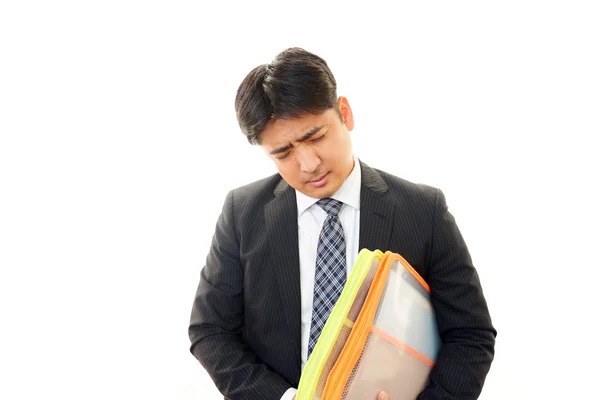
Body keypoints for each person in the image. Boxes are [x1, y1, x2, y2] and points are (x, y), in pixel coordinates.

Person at [188, 47, 496, 400]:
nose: (308, 164)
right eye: (283, 153)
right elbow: (210, 329)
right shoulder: (242, 212)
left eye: (315, 136)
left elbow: (470, 335)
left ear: (345, 113)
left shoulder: (423, 210)